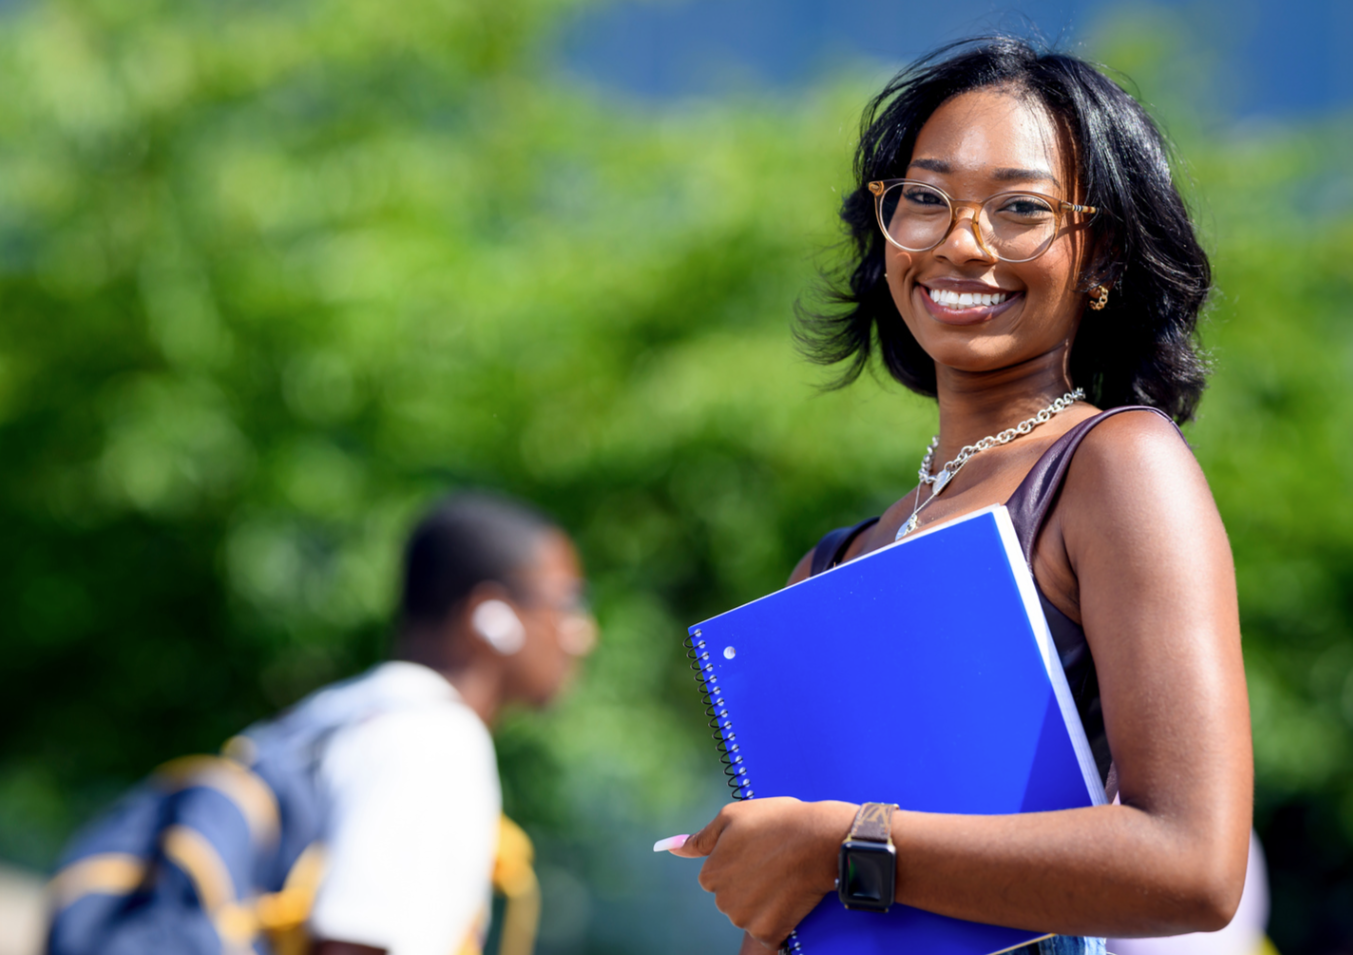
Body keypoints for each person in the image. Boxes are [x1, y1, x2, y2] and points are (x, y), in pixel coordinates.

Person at [667, 37, 1253, 955]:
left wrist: (842, 841)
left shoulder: (1114, 465)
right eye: (926, 199)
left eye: (1019, 208)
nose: (960, 242)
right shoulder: (832, 562)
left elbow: (1192, 865)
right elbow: (796, 921)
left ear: (1100, 257)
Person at [46, 492, 595, 955]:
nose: (582, 633)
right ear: (491, 616)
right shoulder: (434, 742)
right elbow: (354, 945)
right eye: (567, 603)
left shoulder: (334, 714)